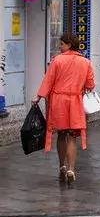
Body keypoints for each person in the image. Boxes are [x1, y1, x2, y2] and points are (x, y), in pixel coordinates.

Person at [32, 33, 95, 185]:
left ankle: (62, 166)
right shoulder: (86, 62)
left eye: (61, 44)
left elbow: (48, 80)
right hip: (74, 102)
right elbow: (90, 85)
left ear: (68, 45)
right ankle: (71, 169)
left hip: (59, 102)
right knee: (72, 136)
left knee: (61, 135)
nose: (59, 47)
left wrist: (39, 97)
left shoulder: (57, 61)